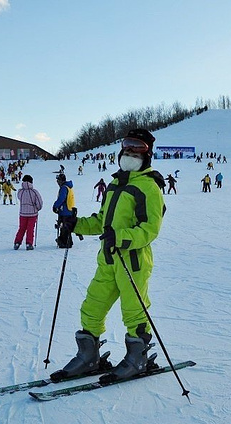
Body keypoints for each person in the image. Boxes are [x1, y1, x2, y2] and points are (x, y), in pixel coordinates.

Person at [50, 128, 166, 383]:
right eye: (127, 145)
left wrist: (122, 237)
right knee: (92, 307)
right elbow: (103, 222)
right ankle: (88, 357)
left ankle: (138, 358)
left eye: (138, 147)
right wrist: (75, 223)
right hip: (109, 260)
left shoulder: (148, 186)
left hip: (133, 262)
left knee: (134, 311)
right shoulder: (115, 184)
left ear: (147, 153)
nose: (130, 151)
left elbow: (150, 229)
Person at [14, 175, 43, 250]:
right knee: (30, 229)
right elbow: (39, 202)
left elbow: (20, 198)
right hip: (32, 213)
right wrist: (37, 208)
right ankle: (29, 243)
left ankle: (17, 242)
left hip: (22, 213)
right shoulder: (34, 192)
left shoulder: (20, 191)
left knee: (22, 228)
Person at [53, 173, 76, 248]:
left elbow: (61, 199)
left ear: (61, 180)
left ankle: (65, 242)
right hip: (69, 210)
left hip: (65, 211)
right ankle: (68, 241)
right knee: (67, 227)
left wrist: (55, 206)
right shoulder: (68, 187)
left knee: (64, 227)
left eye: (58, 180)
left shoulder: (64, 188)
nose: (57, 182)